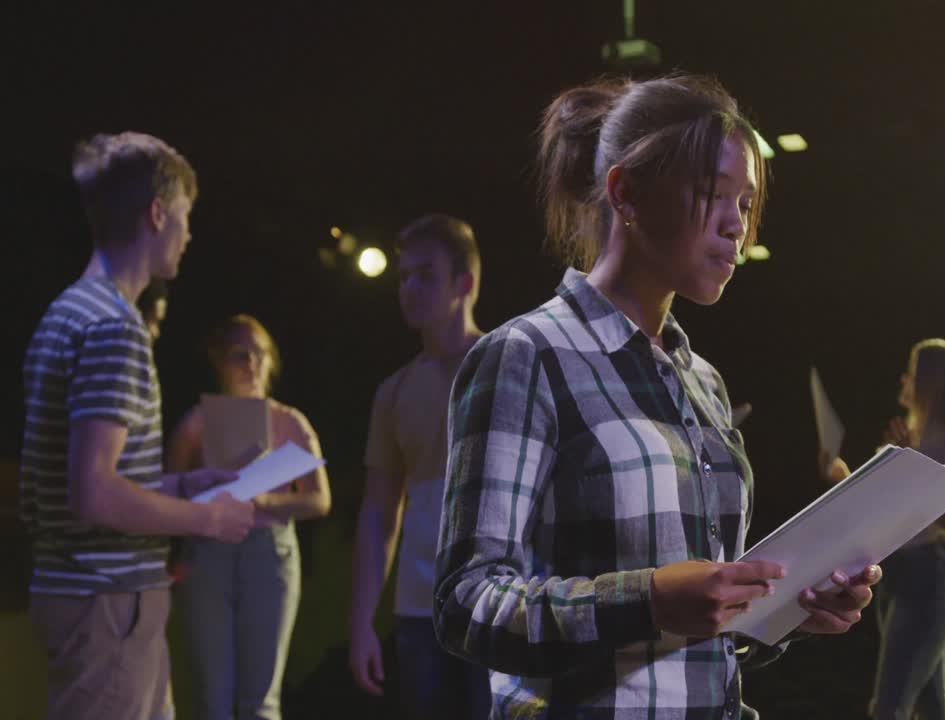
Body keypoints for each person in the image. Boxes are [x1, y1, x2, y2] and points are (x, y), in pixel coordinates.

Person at [434, 75, 881, 719]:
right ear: (628, 194)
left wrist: (782, 610)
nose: (737, 226)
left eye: (748, 203)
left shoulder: (703, 381)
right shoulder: (526, 357)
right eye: (712, 194)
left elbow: (699, 631)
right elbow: (466, 604)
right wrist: (645, 600)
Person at [20, 131, 255, 720]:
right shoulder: (114, 327)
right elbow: (94, 492)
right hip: (107, 602)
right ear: (157, 214)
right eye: (185, 216)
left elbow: (92, 477)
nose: (189, 233)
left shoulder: (69, 311)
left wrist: (178, 488)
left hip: (88, 597)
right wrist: (208, 517)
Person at [348, 214, 490, 718]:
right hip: (419, 608)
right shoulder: (394, 391)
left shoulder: (505, 365)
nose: (409, 287)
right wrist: (362, 620)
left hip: (496, 600)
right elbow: (379, 512)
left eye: (425, 274)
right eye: (403, 275)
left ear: (465, 283)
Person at [167, 314, 332, 720]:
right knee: (213, 700)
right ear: (219, 361)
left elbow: (319, 499)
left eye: (260, 355)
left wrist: (264, 502)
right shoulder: (196, 422)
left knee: (261, 701)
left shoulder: (289, 421)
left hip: (269, 552)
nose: (251, 365)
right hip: (209, 552)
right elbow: (167, 489)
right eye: (239, 355)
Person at [824, 339, 945, 720]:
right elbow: (881, 511)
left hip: (936, 576)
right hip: (901, 573)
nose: (904, 380)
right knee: (930, 705)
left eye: (912, 373)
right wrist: (838, 472)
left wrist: (913, 461)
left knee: (889, 706)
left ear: (931, 382)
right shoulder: (911, 436)